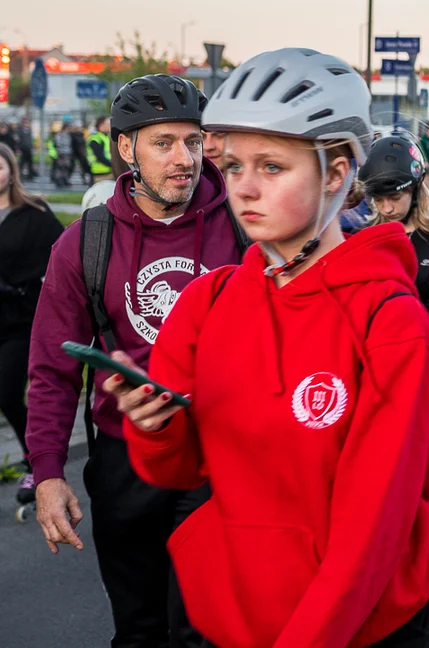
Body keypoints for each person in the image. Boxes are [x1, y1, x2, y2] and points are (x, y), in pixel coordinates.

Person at [106, 47, 429, 648]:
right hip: (231, 618)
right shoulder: (208, 302)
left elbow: (373, 530)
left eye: (272, 167)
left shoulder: (391, 325)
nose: (244, 188)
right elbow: (177, 469)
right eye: (235, 165)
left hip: (361, 626)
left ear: (338, 174)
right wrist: (154, 426)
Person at [25, 74, 246, 648]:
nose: (184, 159)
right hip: (126, 459)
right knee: (140, 628)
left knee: (206, 628)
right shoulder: (85, 242)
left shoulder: (244, 227)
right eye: (164, 142)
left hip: (218, 458)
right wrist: (48, 471)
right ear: (127, 149)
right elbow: (51, 369)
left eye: (193, 141)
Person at [360, 133, 429, 422]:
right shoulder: (364, 240)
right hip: (375, 368)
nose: (387, 208)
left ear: (416, 190)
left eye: (395, 197)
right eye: (379, 200)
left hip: (423, 363)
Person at [0, 143, 64, 511]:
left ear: (11, 169)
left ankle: (35, 463)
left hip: (22, 320)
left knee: (7, 393)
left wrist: (22, 285)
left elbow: (59, 256)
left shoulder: (34, 212)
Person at [82, 116, 117, 211]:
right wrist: (114, 165)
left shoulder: (105, 137)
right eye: (108, 124)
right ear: (101, 126)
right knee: (98, 200)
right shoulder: (95, 139)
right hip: (99, 174)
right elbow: (100, 157)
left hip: (108, 172)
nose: (110, 126)